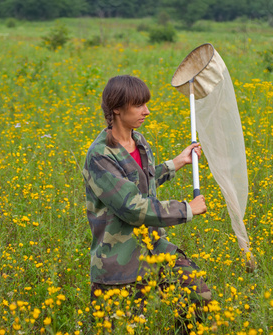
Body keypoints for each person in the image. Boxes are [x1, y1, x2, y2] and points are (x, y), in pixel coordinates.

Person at [82, 75, 212, 330]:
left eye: (146, 104)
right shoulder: (100, 156)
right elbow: (133, 207)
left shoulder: (139, 142)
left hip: (153, 249)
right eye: (139, 105)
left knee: (199, 295)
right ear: (116, 108)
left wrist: (176, 162)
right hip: (119, 262)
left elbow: (143, 184)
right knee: (118, 328)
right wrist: (187, 208)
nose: (147, 111)